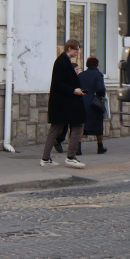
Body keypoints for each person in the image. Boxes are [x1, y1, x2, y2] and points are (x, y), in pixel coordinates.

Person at [41, 40, 86, 168]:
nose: (78, 52)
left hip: (62, 103)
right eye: (77, 49)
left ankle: (46, 158)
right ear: (70, 48)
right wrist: (74, 90)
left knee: (56, 129)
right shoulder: (62, 62)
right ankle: (70, 157)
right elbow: (58, 83)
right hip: (64, 103)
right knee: (77, 125)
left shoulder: (63, 61)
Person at [79, 57, 108, 154]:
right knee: (98, 125)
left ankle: (78, 148)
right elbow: (100, 89)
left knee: (80, 125)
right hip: (94, 103)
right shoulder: (98, 74)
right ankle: (100, 147)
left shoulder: (81, 75)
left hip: (82, 102)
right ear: (96, 64)